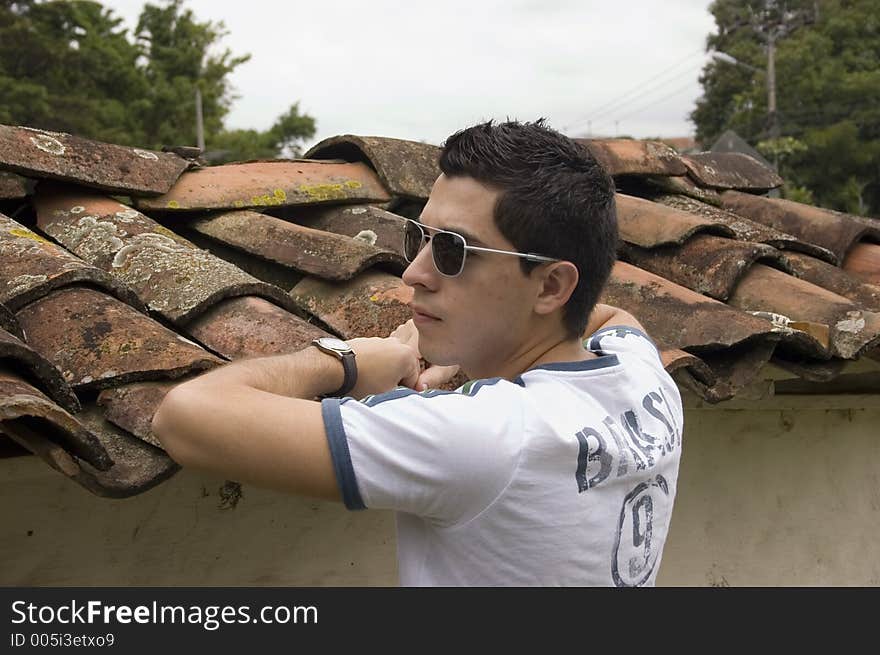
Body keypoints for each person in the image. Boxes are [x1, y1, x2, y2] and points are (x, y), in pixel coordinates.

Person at [152, 119, 684, 586]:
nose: (413, 272)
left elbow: (184, 417)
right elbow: (615, 316)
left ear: (549, 287)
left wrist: (349, 359)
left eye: (454, 250)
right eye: (420, 237)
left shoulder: (481, 435)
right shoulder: (644, 379)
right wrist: (471, 346)